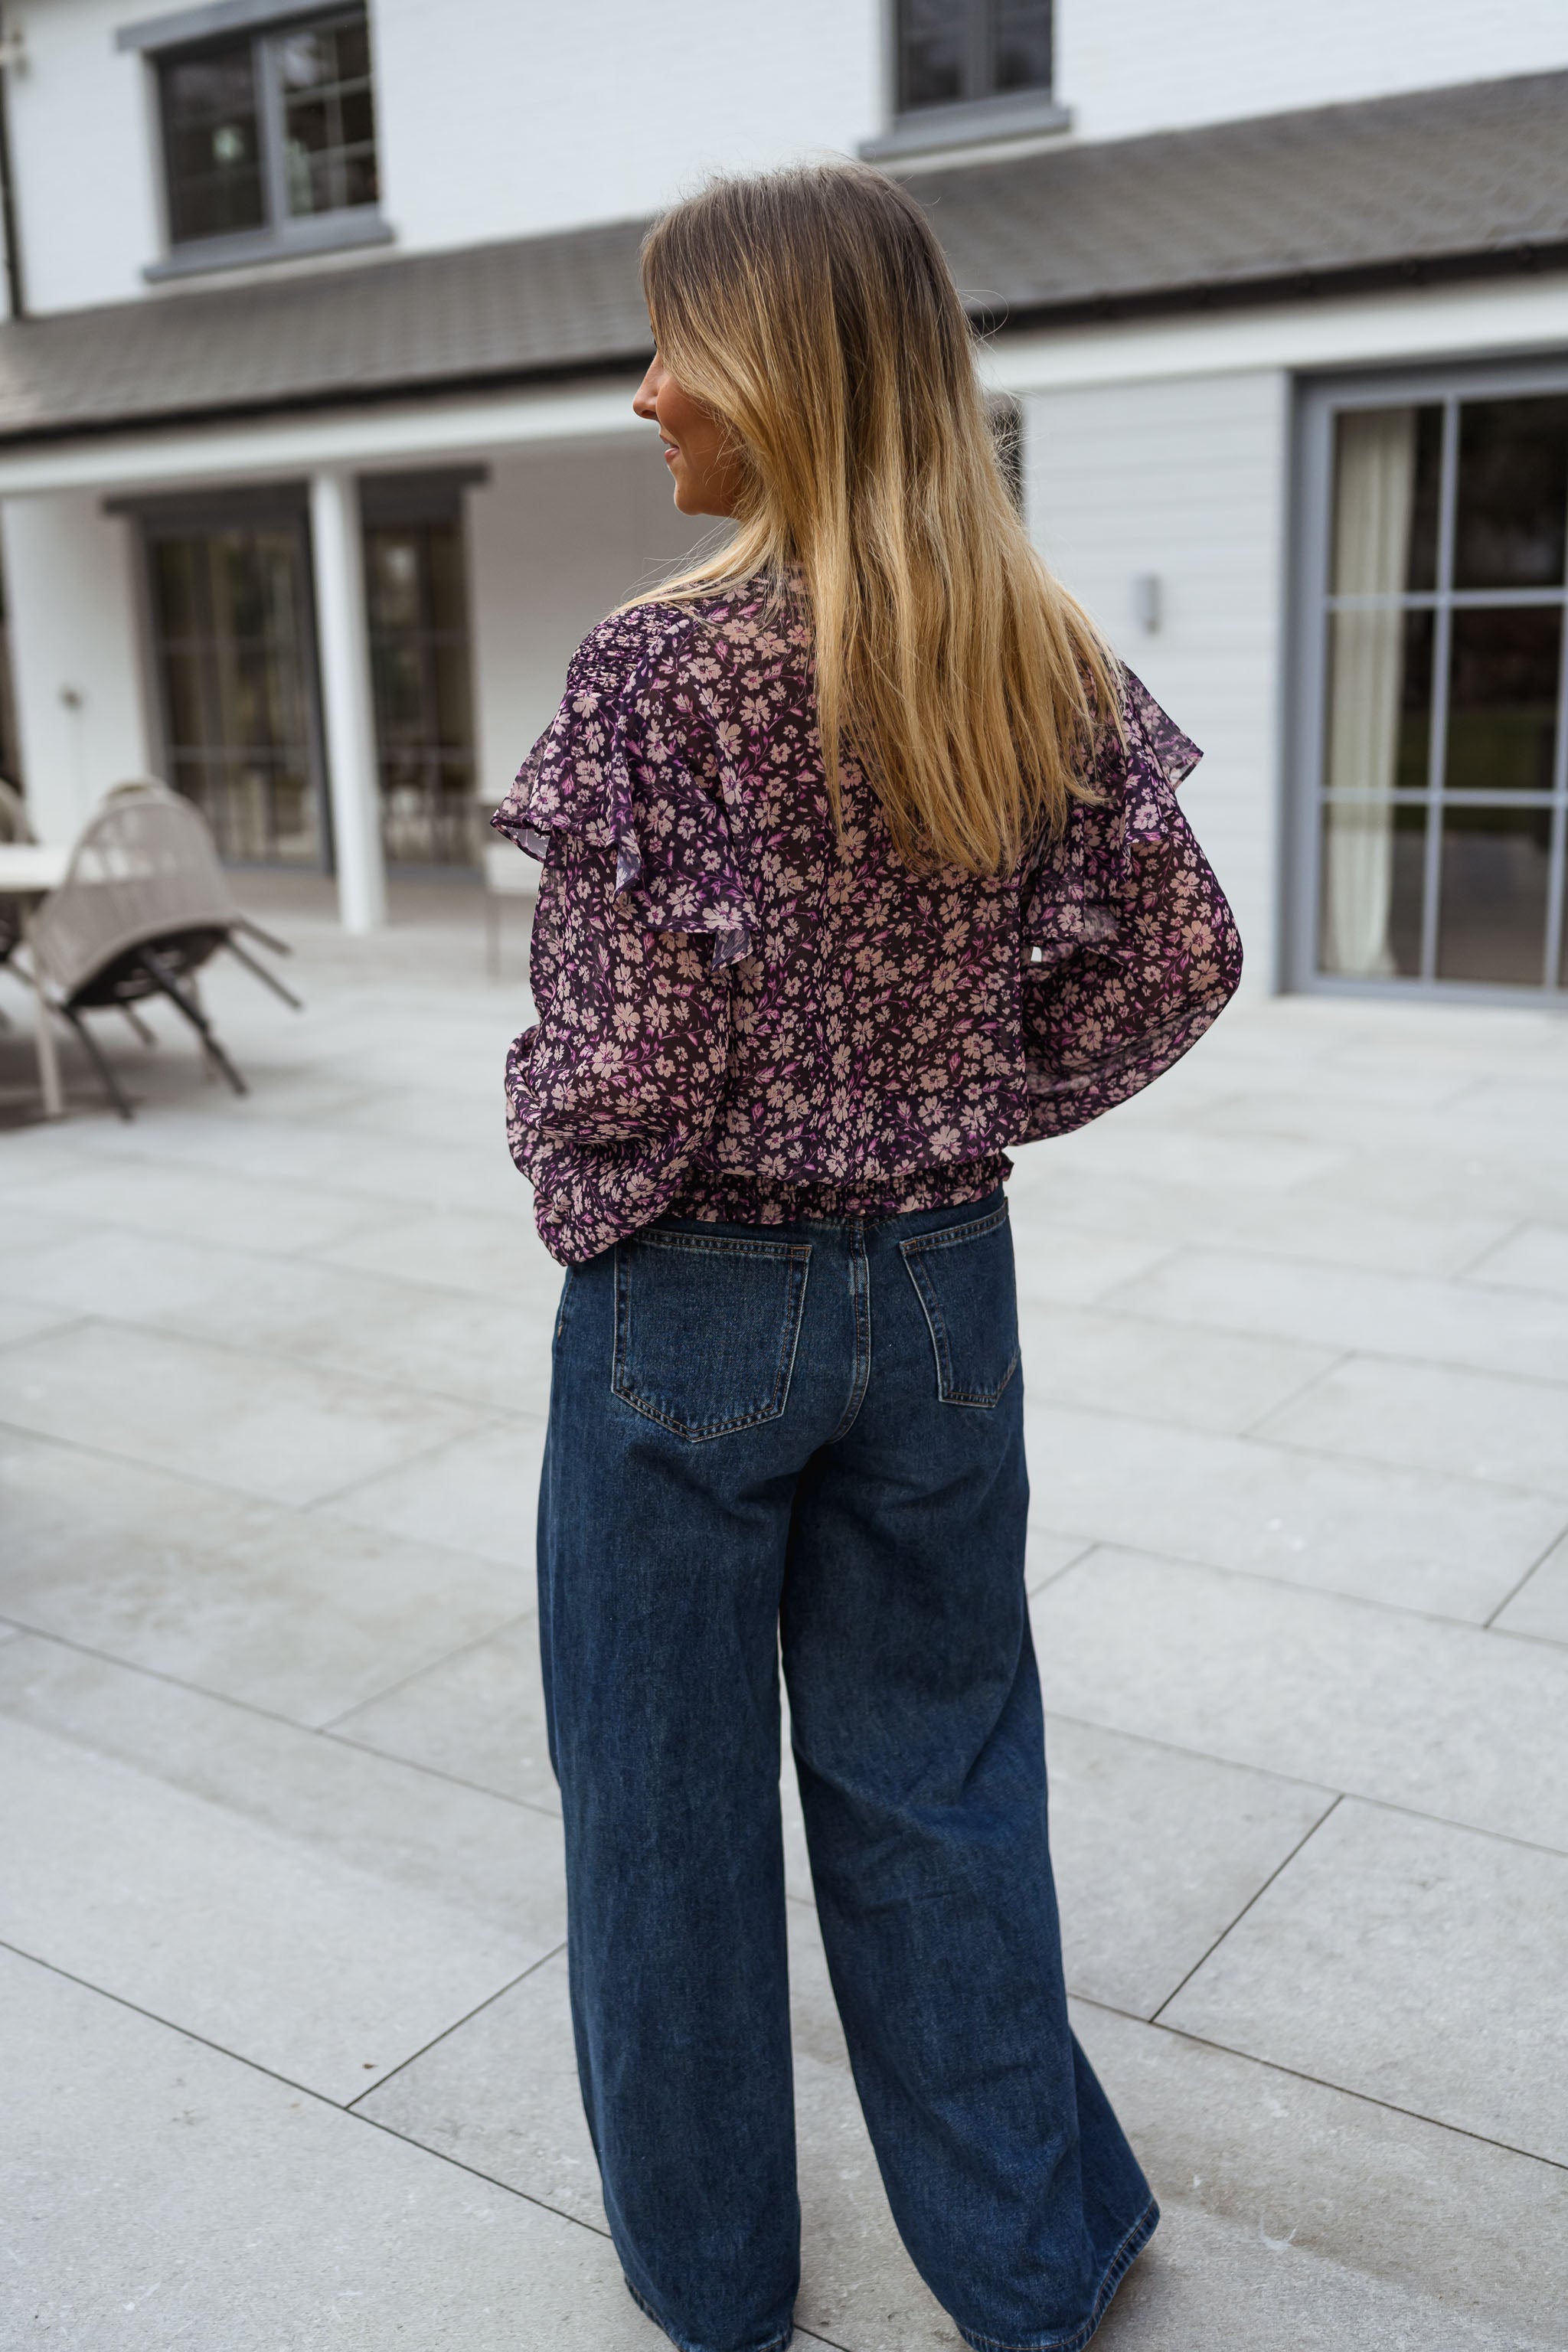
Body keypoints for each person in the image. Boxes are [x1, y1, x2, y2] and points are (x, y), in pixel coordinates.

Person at [493, 162, 1242, 2352]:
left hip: (696, 1309)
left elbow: (619, 1058)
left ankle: (720, 2293)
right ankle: (1030, 2266)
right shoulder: (1036, 650)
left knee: (661, 1825)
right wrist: (963, 1110)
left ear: (786, 375)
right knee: (941, 1786)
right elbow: (1180, 961)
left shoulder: (658, 667)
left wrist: (574, 1177)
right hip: (942, 1295)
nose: (645, 394)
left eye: (676, 347)